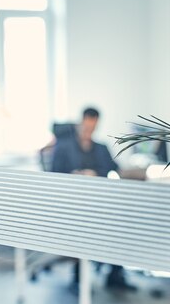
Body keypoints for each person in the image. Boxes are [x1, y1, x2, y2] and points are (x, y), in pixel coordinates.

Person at [51, 107, 136, 292]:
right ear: (81, 123)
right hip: (71, 204)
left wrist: (95, 173)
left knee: (123, 218)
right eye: (87, 126)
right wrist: (75, 175)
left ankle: (115, 273)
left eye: (93, 127)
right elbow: (53, 175)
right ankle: (79, 275)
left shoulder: (101, 148)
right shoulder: (64, 147)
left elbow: (113, 169)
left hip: (99, 202)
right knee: (84, 224)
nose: (89, 131)